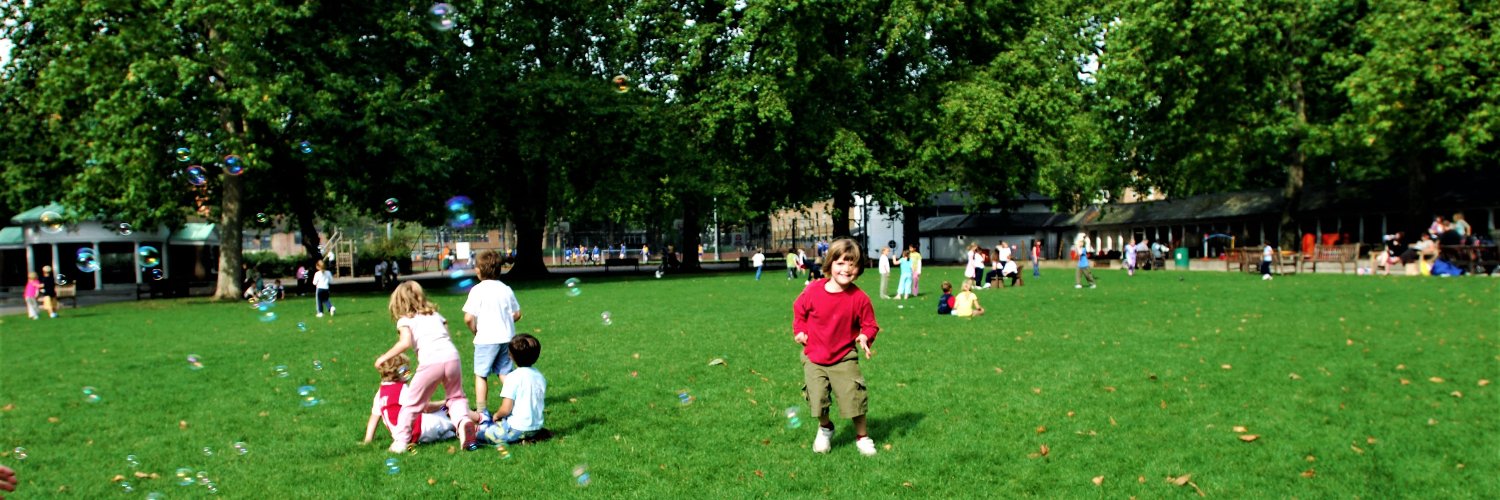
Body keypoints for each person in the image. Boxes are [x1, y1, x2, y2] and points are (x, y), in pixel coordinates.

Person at [791, 238, 879, 456]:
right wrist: (800, 330)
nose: (846, 269)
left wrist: (865, 337)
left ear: (859, 269)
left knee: (854, 398)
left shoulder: (860, 298)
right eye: (840, 263)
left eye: (852, 264)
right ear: (829, 264)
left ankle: (862, 437)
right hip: (814, 355)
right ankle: (825, 428)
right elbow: (799, 310)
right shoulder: (813, 290)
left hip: (844, 356)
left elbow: (870, 324)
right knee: (817, 399)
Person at [375, 281, 473, 453]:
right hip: (452, 357)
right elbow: (447, 337)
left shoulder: (405, 320)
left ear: (399, 302)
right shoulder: (436, 315)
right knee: (455, 398)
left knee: (412, 404)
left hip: (430, 361)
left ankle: (401, 441)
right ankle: (464, 423)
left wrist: (384, 357)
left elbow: (405, 342)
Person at [363, 353, 480, 450]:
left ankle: (454, 431)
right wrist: (444, 403)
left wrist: (368, 440)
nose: (408, 373)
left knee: (446, 426)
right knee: (450, 408)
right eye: (406, 371)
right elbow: (426, 408)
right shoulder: (401, 390)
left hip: (403, 437)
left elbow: (374, 418)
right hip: (420, 428)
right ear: (400, 372)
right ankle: (480, 421)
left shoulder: (380, 393)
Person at [462, 251, 523, 424]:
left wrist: (475, 329)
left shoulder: (477, 290)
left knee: (481, 374)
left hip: (486, 339)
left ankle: (482, 411)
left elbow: (468, 317)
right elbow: (517, 314)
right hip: (506, 338)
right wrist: (504, 320)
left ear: (479, 270)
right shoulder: (506, 289)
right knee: (505, 372)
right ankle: (516, 403)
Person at [481, 334, 548, 444]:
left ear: (511, 356)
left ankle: (519, 439)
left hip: (517, 428)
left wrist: (496, 415)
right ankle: (529, 439)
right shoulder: (540, 377)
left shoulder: (513, 377)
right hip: (536, 427)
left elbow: (506, 409)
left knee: (484, 433)